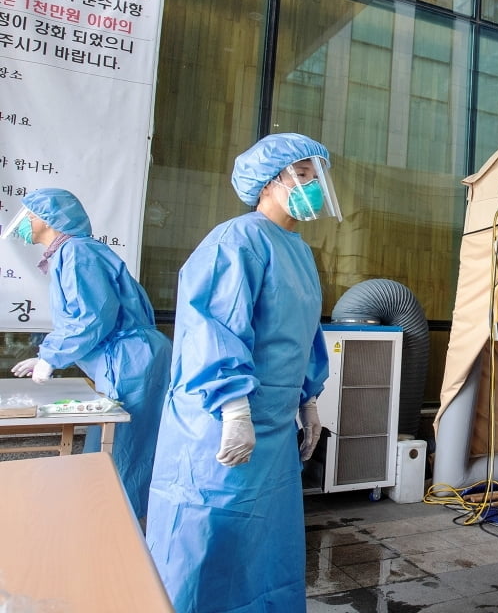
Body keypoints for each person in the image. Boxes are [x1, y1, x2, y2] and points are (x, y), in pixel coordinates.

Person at [146, 133, 339, 612]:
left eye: (316, 177)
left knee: (266, 548)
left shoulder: (298, 252)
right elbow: (212, 326)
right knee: (207, 540)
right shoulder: (236, 240)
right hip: (220, 421)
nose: (313, 186)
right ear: (268, 183)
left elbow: (302, 332)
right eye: (303, 176)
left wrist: (309, 400)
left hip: (273, 427)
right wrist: (233, 408)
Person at [5, 188, 171, 519]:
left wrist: (51, 356)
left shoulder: (77, 252)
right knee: (113, 446)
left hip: (131, 362)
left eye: (29, 214)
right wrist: (47, 353)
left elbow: (93, 315)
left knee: (125, 449)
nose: (24, 222)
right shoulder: (70, 253)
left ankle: (115, 528)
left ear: (50, 219)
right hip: (129, 360)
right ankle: (102, 519)